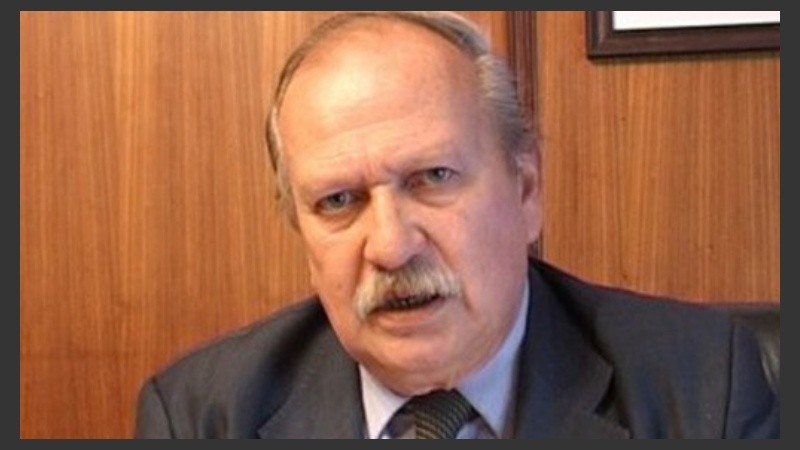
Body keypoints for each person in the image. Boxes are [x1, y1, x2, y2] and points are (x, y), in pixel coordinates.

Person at [134, 11, 779, 438]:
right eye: (338, 201)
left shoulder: (701, 389)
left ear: (525, 190)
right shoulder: (201, 416)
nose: (391, 246)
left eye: (432, 177)